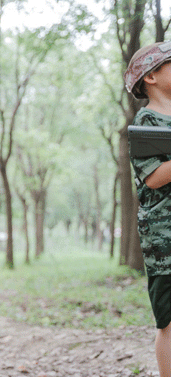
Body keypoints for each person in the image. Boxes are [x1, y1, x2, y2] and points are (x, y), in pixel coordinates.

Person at [126, 41, 171, 377]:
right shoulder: (147, 121)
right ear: (151, 76)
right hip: (164, 240)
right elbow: (154, 177)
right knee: (170, 323)